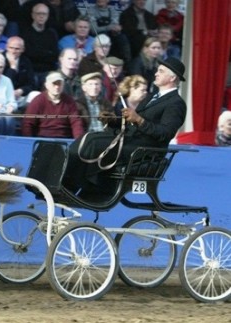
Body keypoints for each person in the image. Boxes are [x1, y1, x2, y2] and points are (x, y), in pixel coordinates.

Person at [63, 57, 187, 195]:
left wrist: (139, 120)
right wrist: (113, 120)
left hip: (144, 150)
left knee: (94, 143)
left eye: (161, 71)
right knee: (89, 137)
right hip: (130, 140)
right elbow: (132, 122)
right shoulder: (151, 97)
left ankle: (70, 187)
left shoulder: (176, 103)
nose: (156, 74)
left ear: (172, 77)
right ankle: (63, 182)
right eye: (157, 70)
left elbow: (166, 133)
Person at [22, 71, 84, 139]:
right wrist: (28, 142)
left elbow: (76, 123)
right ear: (46, 85)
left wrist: (78, 142)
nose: (57, 87)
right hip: (42, 140)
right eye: (54, 84)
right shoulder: (38, 101)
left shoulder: (69, 101)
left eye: (59, 84)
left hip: (64, 139)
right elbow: (27, 123)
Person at [20, 2, 59, 90]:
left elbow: (54, 55)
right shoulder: (25, 33)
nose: (41, 16)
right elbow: (27, 55)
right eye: (38, 13)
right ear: (33, 15)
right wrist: (46, 53)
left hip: (48, 71)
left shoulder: (52, 34)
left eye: (44, 14)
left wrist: (37, 53)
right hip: (31, 71)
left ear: (48, 16)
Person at [2, 36, 34, 111]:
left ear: (23, 49)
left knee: (35, 95)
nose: (13, 51)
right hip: (3, 97)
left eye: (17, 49)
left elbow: (32, 84)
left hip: (20, 97)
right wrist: (12, 68)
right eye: (11, 48)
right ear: (6, 47)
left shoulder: (26, 61)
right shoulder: (0, 59)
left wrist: (21, 90)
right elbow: (3, 84)